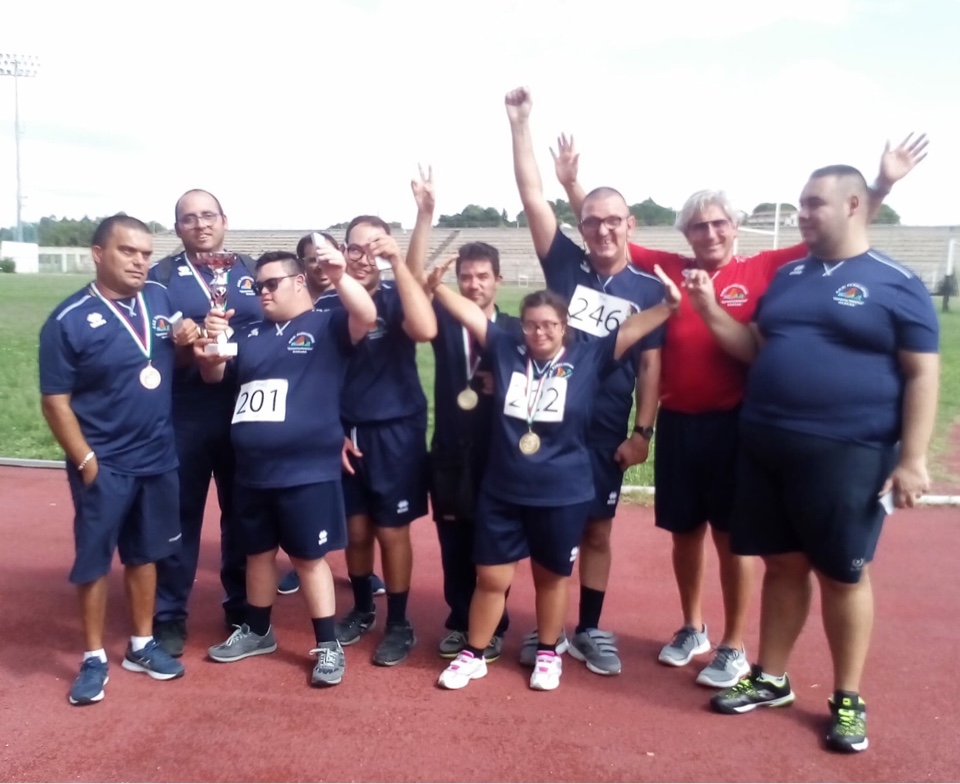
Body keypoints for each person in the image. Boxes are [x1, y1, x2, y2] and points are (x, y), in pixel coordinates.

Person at [554, 132, 929, 687]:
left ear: (734, 227)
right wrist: (571, 184)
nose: (709, 234)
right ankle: (692, 626)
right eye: (698, 226)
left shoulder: (769, 268)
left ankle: (733, 643)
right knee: (684, 534)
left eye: (718, 224)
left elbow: (840, 226)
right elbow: (607, 230)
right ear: (685, 233)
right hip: (680, 425)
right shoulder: (670, 271)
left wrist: (880, 185)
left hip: (737, 425)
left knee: (734, 539)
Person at [697, 165, 940, 754]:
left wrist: (912, 458)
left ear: (854, 204)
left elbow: (923, 371)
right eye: (800, 205)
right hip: (768, 443)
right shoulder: (790, 277)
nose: (802, 215)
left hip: (848, 451)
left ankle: (848, 697)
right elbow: (756, 348)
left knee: (843, 573)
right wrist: (709, 311)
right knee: (782, 565)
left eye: (813, 205)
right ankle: (772, 677)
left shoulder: (896, 281)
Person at [429, 261, 681, 691]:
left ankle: (548, 651)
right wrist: (437, 289)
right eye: (530, 325)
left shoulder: (589, 355)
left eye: (548, 325)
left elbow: (633, 330)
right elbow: (470, 315)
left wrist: (670, 306)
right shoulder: (507, 349)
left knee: (552, 577)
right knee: (491, 577)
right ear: (521, 327)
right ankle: (473, 653)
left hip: (562, 491)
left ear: (565, 327)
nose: (538, 333)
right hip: (503, 490)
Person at [505, 86, 666, 676]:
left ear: (631, 224)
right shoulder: (564, 265)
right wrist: (521, 123)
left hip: (602, 431)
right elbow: (529, 195)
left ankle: (591, 629)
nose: (601, 231)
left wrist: (642, 432)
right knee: (548, 529)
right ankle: (546, 632)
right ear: (582, 224)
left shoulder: (647, 291)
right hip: (545, 422)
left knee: (597, 531)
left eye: (612, 222)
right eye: (591, 221)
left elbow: (651, 365)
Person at [199, 249, 377, 687]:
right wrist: (210, 353)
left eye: (271, 284)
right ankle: (258, 630)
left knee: (308, 557)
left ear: (299, 282)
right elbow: (214, 378)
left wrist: (338, 277)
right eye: (257, 286)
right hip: (253, 469)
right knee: (257, 553)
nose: (262, 292)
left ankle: (328, 644)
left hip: (306, 470)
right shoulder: (250, 333)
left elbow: (366, 315)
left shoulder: (327, 323)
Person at [39, 214, 189, 705]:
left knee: (147, 554)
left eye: (146, 253)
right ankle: (92, 656)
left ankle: (141, 645)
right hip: (104, 463)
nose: (140, 262)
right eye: (128, 252)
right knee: (94, 561)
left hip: (157, 457)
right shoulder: (68, 320)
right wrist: (85, 461)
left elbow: (173, 356)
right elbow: (55, 402)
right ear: (98, 254)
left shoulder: (160, 299)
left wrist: (186, 343)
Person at [405, 166, 522, 661]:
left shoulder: (517, 331)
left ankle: (494, 624)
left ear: (498, 280)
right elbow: (412, 281)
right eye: (465, 277)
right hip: (451, 451)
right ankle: (459, 616)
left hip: (502, 454)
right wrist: (425, 214)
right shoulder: (440, 322)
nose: (473, 285)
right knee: (453, 542)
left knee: (494, 543)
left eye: (481, 277)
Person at [317, 213, 437, 667]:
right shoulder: (328, 305)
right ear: (342, 251)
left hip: (395, 430)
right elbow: (318, 378)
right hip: (345, 433)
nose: (363, 257)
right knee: (357, 529)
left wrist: (406, 251)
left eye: (374, 247)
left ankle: (400, 620)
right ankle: (364, 605)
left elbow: (425, 330)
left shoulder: (396, 296)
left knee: (391, 530)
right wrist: (333, 432)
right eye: (354, 248)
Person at [148, 189, 261, 657]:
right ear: (177, 229)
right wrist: (182, 346)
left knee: (242, 512)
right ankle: (170, 613)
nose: (200, 224)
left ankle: (240, 605)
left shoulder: (249, 271)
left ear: (225, 220)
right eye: (188, 218)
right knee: (180, 514)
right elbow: (152, 356)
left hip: (244, 410)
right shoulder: (160, 279)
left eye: (207, 215)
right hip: (187, 411)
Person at [274, 231, 385, 600]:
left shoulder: (345, 301)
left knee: (356, 511)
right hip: (311, 418)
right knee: (306, 495)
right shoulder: (291, 306)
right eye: (310, 259)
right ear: (300, 268)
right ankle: (303, 559)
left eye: (325, 256)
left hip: (351, 413)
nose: (319, 264)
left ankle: (362, 576)